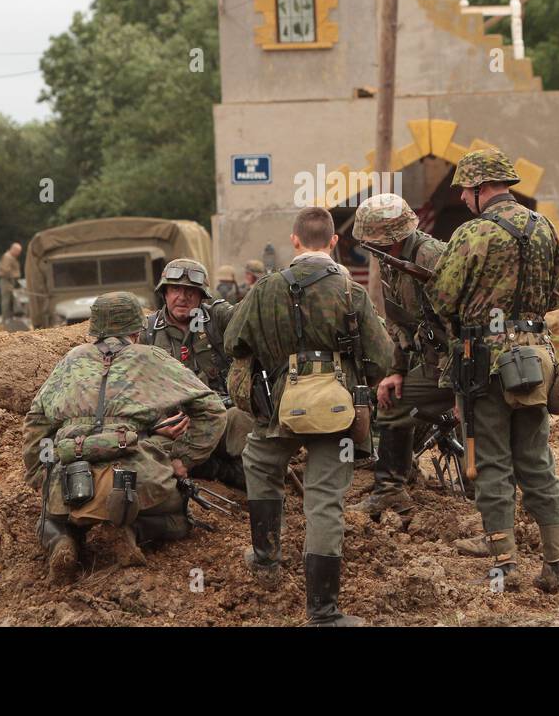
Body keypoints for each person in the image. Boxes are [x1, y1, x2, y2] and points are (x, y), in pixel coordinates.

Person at [224, 206, 393, 625]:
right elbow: (382, 358)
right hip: (337, 412)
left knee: (260, 463)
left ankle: (265, 559)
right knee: (324, 503)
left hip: (281, 405)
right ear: (334, 242)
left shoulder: (266, 288)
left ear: (294, 240)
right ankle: (323, 612)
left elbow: (233, 341)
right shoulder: (351, 293)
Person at [426, 148, 559, 593]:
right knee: (537, 462)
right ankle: (556, 565)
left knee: (491, 461)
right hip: (537, 360)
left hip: (484, 362)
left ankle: (505, 566)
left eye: (464, 192)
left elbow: (441, 299)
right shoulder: (544, 227)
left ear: (477, 189)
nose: (464, 199)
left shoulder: (473, 233)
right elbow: (557, 297)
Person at [23, 292, 226, 584]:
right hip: (134, 475)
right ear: (137, 330)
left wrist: (39, 473)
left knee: (49, 520)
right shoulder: (150, 357)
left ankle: (64, 542)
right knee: (179, 518)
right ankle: (130, 531)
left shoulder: (71, 360)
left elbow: (36, 420)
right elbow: (213, 409)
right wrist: (183, 458)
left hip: (71, 477)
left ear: (93, 330)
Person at [348, 193, 452, 516]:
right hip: (432, 361)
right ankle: (392, 491)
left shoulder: (429, 256)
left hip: (457, 364)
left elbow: (459, 319)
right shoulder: (392, 263)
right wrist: (397, 371)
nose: (368, 247)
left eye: (371, 241)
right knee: (391, 402)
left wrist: (459, 384)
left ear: (390, 237)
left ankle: (392, 489)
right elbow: (400, 325)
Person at [141, 258, 251, 489]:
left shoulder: (216, 321)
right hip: (173, 426)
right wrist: (157, 423)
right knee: (144, 454)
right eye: (175, 289)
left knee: (245, 423)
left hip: (218, 418)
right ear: (165, 293)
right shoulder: (146, 333)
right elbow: (132, 393)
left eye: (191, 291)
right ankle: (216, 469)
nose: (182, 296)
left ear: (202, 296)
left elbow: (248, 318)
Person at [0, 241, 23, 323]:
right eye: (18, 251)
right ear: (13, 249)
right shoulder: (7, 257)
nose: (19, 254)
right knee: (6, 301)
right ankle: (6, 320)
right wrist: (14, 275)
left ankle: (10, 318)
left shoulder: (11, 257)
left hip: (10, 281)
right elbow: (5, 270)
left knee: (12, 300)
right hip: (6, 281)